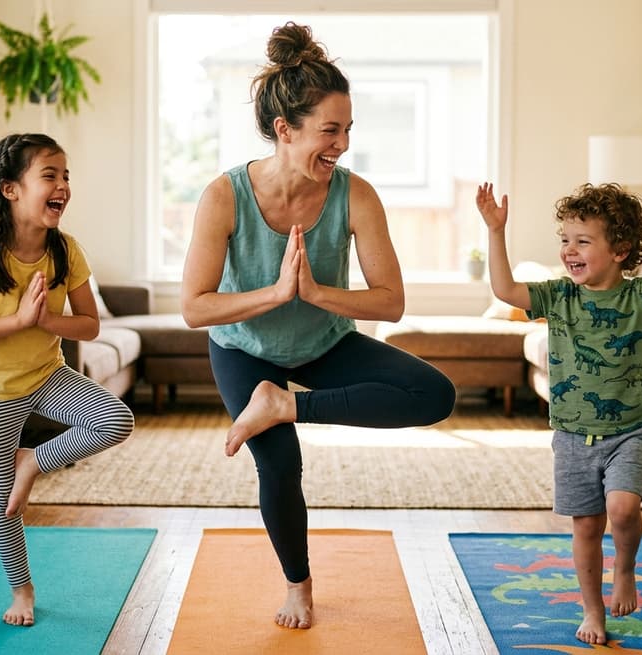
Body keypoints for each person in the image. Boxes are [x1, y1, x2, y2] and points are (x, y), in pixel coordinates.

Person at [180, 22, 457, 630]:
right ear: (286, 130)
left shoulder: (356, 196)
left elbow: (390, 303)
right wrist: (275, 294)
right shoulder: (224, 197)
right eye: (330, 131)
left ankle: (284, 405)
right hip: (245, 350)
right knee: (279, 465)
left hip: (322, 344)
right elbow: (195, 308)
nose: (343, 144)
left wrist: (312, 293)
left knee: (435, 394)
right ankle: (298, 584)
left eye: (348, 129)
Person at [475, 180, 642, 645]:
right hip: (572, 433)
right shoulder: (559, 296)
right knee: (587, 525)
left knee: (623, 507)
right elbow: (506, 288)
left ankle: (626, 567)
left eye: (583, 241)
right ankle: (593, 610)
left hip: (630, 429)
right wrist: (495, 230)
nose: (570, 250)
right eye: (565, 240)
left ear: (620, 250)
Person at [0, 133, 135, 627]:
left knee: (115, 419)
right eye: (49, 175)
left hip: (46, 375)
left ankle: (33, 459)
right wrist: (20, 321)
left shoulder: (66, 250)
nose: (63, 186)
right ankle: (21, 590)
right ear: (10, 189)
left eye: (66, 176)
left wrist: (48, 320)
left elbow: (91, 325)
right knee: (2, 502)